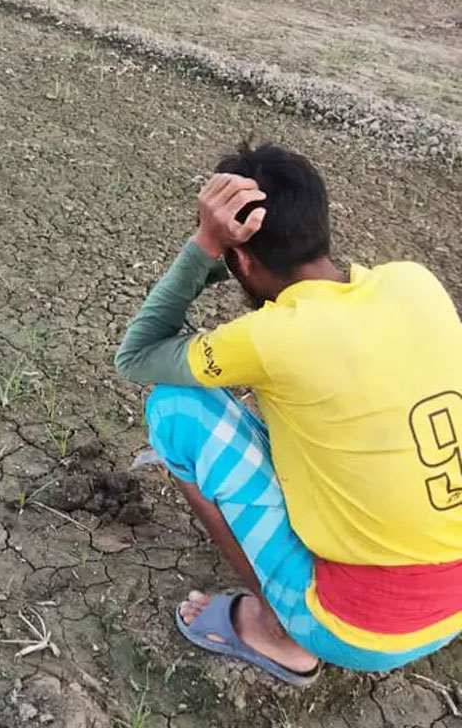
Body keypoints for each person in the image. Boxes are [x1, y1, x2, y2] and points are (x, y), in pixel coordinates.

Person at [115, 142, 462, 685]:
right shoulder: (414, 283)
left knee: (177, 408)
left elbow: (136, 356)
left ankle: (278, 629)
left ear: (243, 260)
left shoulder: (274, 337)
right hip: (453, 608)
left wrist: (207, 245)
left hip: (355, 629)